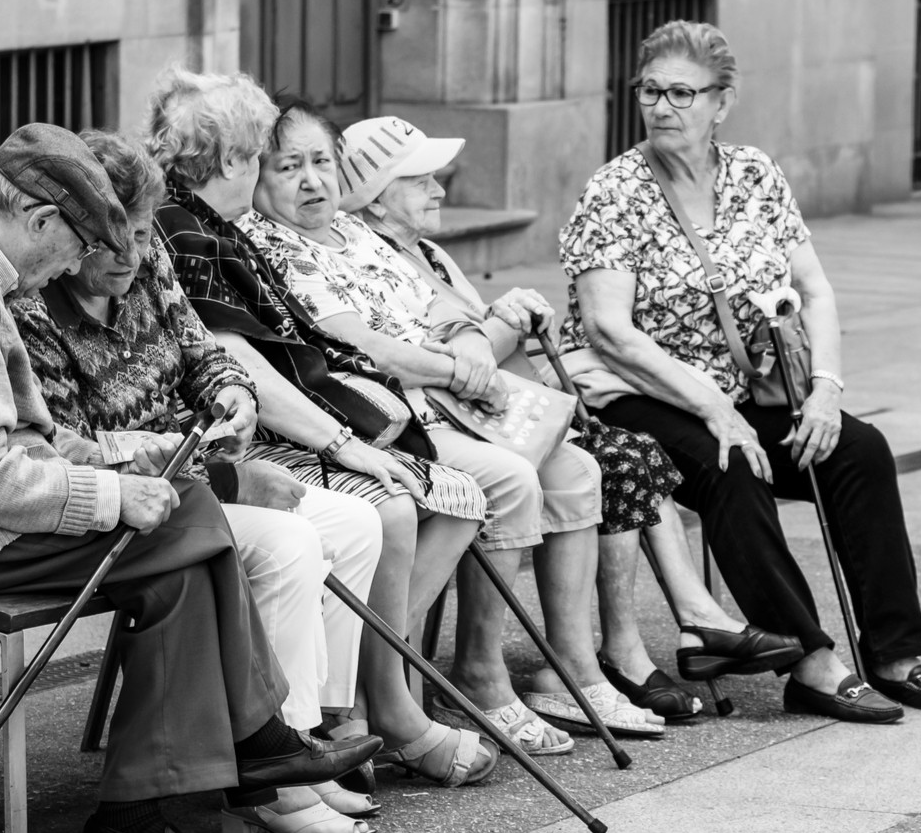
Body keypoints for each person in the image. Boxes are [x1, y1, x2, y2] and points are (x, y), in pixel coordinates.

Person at [0, 123, 380, 833]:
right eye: (77, 247)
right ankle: (258, 737)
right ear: (41, 219)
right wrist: (112, 490)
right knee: (189, 513)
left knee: (176, 566)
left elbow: (18, 444)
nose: (73, 267)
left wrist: (112, 468)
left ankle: (135, 820)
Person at [560, 20, 921, 723]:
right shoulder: (615, 190)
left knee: (859, 452)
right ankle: (812, 662)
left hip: (749, 387)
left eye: (682, 93)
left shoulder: (754, 173)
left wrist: (826, 393)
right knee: (732, 464)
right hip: (639, 393)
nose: (662, 106)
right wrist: (714, 409)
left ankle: (897, 654)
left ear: (723, 101)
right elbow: (609, 330)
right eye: (651, 91)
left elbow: (814, 290)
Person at [338, 114, 800, 723]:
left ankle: (635, 644)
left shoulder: (428, 252)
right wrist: (504, 319)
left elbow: (482, 350)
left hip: (494, 416)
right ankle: (636, 645)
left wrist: (506, 325)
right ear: (374, 201)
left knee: (630, 455)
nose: (440, 189)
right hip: (459, 424)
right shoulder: (371, 257)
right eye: (421, 179)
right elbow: (457, 357)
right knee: (622, 458)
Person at [240, 97, 658, 749]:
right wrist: (456, 365)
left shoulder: (353, 233)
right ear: (256, 177)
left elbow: (445, 307)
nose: (312, 181)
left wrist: (465, 342)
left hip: (444, 405)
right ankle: (460, 676)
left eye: (321, 162)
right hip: (385, 417)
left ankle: (566, 665)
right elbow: (361, 348)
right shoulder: (271, 245)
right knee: (511, 479)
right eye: (289, 167)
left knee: (577, 467)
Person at [9, 129, 386, 833]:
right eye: (109, 241)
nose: (130, 257)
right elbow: (71, 452)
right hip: (136, 495)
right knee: (286, 544)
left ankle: (310, 732)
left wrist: (235, 395)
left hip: (188, 475)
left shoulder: (149, 260)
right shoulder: (34, 305)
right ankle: (270, 775)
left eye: (143, 234)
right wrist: (222, 474)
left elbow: (204, 354)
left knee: (354, 523)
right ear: (72, 231)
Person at [144, 66, 496, 787]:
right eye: (277, 158)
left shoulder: (214, 226)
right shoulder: (191, 231)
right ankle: (361, 715)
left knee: (450, 495)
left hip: (299, 428)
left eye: (316, 162)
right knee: (389, 508)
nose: (305, 178)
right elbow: (242, 368)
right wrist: (346, 444)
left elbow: (304, 347)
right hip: (245, 447)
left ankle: (354, 711)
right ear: (241, 161)